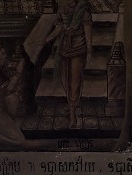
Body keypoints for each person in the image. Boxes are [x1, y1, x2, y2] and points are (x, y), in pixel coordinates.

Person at [43, 0, 93, 129]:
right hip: (64, 47)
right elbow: (59, 27)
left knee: (75, 81)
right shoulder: (62, 7)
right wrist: (48, 38)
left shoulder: (83, 7)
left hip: (79, 46)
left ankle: (72, 112)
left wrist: (89, 51)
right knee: (65, 78)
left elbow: (87, 29)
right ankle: (72, 103)